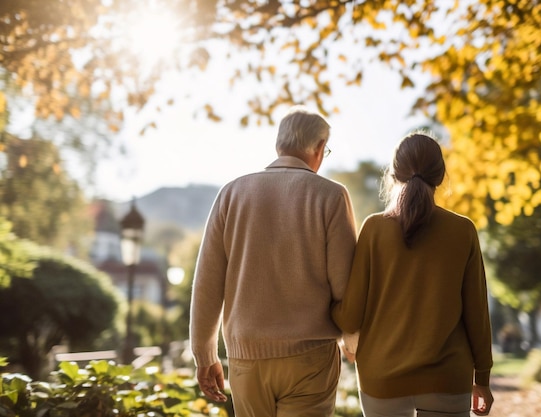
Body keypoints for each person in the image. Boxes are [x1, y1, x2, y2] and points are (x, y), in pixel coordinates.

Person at [189, 105, 358, 417]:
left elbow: (207, 283)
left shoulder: (232, 193)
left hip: (247, 359)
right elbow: (346, 285)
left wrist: (204, 354)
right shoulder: (331, 196)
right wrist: (353, 341)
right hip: (312, 358)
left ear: (279, 145)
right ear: (319, 149)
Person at [332, 132, 494, 417]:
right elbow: (477, 314)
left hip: (381, 381)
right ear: (441, 176)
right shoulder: (463, 231)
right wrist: (482, 379)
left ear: (394, 175)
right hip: (448, 380)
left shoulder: (373, 229)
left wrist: (330, 307)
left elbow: (351, 315)